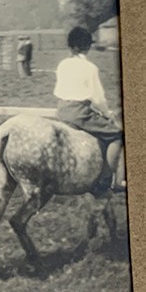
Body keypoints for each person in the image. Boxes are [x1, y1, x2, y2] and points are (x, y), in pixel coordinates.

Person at [54, 26, 125, 193]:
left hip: (62, 109)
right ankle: (106, 179)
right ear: (88, 47)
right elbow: (98, 98)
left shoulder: (62, 64)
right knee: (117, 135)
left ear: (71, 47)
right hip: (80, 112)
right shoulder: (90, 68)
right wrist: (107, 113)